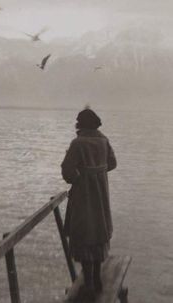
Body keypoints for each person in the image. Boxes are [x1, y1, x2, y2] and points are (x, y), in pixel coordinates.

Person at [61, 108, 117, 299]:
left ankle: (90, 283)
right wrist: (98, 173)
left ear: (80, 124)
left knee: (84, 232)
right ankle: (96, 278)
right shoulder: (104, 141)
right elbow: (113, 163)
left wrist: (80, 176)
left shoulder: (78, 144)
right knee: (98, 231)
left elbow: (67, 172)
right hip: (100, 195)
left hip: (83, 196)